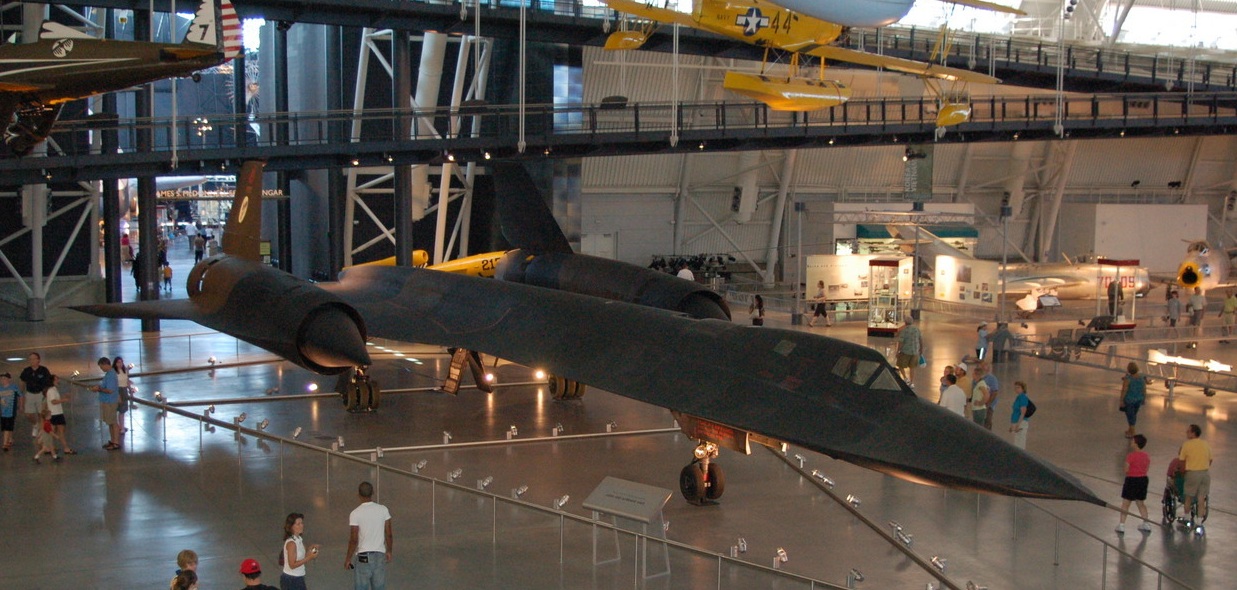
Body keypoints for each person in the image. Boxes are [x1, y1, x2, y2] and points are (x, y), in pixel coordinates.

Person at [345, 481, 392, 590]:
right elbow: (389, 534)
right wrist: (389, 550)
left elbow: (353, 539)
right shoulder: (383, 509)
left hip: (363, 558)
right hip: (380, 555)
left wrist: (348, 558)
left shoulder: (355, 513)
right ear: (373, 493)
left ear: (358, 495)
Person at [1116, 434, 1153, 534]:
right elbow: (1146, 468)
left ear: (1136, 444)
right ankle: (1146, 523)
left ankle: (1122, 525)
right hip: (1143, 480)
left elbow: (1126, 469)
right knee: (1140, 503)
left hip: (1131, 480)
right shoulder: (1146, 456)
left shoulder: (1130, 456)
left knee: (1126, 503)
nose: (1131, 442)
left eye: (1132, 441)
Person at [1179, 424, 1212, 528]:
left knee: (1188, 497)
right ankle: (1199, 521)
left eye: (1188, 431)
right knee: (1201, 498)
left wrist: (1183, 472)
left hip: (1192, 473)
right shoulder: (1205, 444)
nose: (1186, 433)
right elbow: (1210, 459)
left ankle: (1187, 517)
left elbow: (1182, 461)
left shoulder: (1187, 445)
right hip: (1205, 474)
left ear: (1193, 433)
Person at [281, 512, 321, 590]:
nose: (301, 525)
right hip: (291, 580)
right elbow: (292, 565)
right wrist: (309, 557)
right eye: (298, 524)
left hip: (298, 577)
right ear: (291, 526)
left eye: (302, 523)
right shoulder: (291, 543)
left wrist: (310, 549)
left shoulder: (299, 539)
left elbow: (301, 554)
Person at [19, 352, 52, 442]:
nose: (32, 361)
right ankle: (35, 424)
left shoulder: (43, 370)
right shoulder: (26, 371)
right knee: (28, 413)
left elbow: (49, 382)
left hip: (40, 394)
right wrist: (21, 393)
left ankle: (41, 432)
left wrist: (48, 393)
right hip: (30, 393)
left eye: (34, 359)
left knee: (41, 413)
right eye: (30, 359)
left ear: (38, 360)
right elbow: (22, 382)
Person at [91, 356, 122, 450]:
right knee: (110, 422)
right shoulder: (108, 374)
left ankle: (116, 442)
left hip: (110, 401)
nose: (101, 369)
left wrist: (99, 389)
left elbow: (110, 390)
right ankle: (112, 440)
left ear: (105, 364)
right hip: (107, 401)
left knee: (113, 422)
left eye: (101, 367)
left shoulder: (111, 375)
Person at [44, 374, 75, 455]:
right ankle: (62, 448)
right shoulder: (51, 390)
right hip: (55, 413)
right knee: (57, 431)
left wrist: (63, 398)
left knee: (57, 431)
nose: (58, 380)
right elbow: (53, 401)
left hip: (57, 413)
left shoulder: (54, 389)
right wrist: (63, 400)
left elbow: (55, 400)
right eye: (57, 379)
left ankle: (51, 447)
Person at [1119, 362, 1147, 439]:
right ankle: (1130, 430)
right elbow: (1144, 389)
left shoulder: (1128, 379)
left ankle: (1132, 431)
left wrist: (1121, 400)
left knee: (1130, 415)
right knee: (1133, 414)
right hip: (1138, 399)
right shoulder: (1142, 378)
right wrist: (1144, 398)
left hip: (1129, 400)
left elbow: (1124, 390)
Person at [894, 316, 922, 386]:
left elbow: (901, 342)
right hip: (915, 351)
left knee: (900, 365)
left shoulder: (904, 330)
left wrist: (898, 351)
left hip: (905, 351)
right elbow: (920, 339)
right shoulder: (917, 329)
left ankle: (905, 378)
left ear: (905, 322)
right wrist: (921, 349)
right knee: (912, 368)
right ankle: (912, 382)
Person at [978, 360, 1001, 430]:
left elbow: (995, 392)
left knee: (987, 421)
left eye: (984, 366)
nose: (981, 367)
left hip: (988, 405)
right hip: (979, 404)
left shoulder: (992, 379)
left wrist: (988, 403)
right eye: (980, 366)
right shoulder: (978, 378)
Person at [1008, 381, 1031, 449]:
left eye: (1018, 388)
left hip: (1021, 422)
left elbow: (1023, 412)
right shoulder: (1019, 397)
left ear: (1023, 389)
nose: (1016, 389)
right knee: (1017, 441)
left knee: (1020, 442)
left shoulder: (1022, 397)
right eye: (1015, 388)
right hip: (1016, 422)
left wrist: (1018, 424)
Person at [0, 372, 19, 451]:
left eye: (4, 378)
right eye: (1, 379)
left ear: (9, 379)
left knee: (7, 427)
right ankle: (10, 439)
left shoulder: (14, 387)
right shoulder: (0, 389)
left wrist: (20, 406)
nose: (2, 380)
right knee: (6, 427)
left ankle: (5, 443)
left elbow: (20, 396)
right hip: (3, 412)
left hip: (11, 411)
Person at [113, 356, 130, 431]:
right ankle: (119, 427)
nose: (120, 364)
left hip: (124, 390)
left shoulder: (124, 371)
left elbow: (127, 380)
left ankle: (121, 426)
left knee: (122, 410)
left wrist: (130, 389)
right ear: (115, 363)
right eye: (118, 362)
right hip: (118, 390)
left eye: (121, 362)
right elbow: (114, 384)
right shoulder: (114, 372)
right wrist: (117, 395)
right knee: (118, 409)